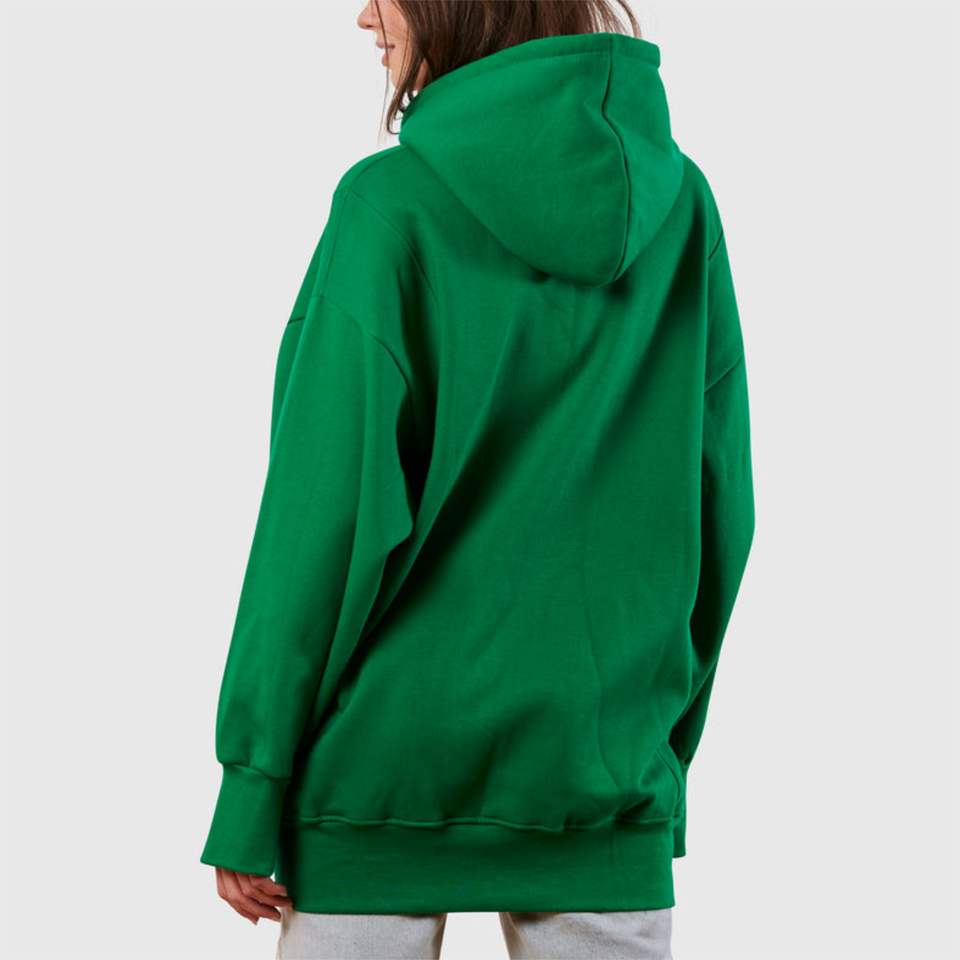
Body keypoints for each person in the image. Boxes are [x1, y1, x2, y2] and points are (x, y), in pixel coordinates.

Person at [199, 1, 756, 957]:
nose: (364, 15)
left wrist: (254, 781)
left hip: (375, 779)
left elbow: (321, 520)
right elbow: (718, 511)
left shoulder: (389, 204)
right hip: (601, 775)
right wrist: (650, 755)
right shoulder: (683, 205)